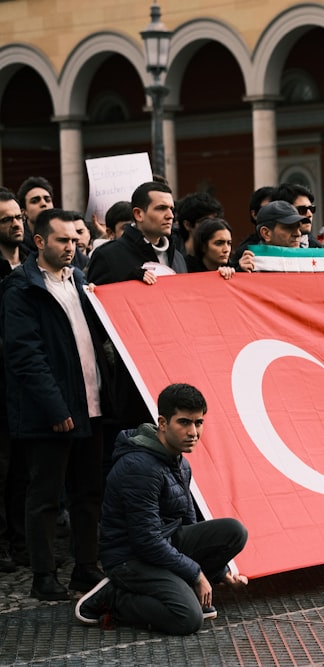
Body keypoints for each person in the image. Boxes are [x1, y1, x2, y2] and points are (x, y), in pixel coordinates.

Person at [74, 384, 249, 634]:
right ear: (163, 423)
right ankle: (113, 596)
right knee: (187, 619)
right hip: (130, 559)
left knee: (234, 531)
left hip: (163, 545)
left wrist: (221, 573)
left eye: (198, 423)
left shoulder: (180, 461)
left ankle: (181, 589)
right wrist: (196, 574)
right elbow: (145, 541)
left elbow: (187, 525)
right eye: (184, 422)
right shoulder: (140, 467)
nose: (193, 432)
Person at [1, 209, 110, 600]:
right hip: (51, 414)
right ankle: (44, 577)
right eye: (62, 240)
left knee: (88, 493)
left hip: (90, 405)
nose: (72, 246)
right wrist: (56, 408)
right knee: (45, 496)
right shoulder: (21, 289)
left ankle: (85, 568)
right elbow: (24, 357)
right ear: (40, 241)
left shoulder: (79, 280)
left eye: (74, 240)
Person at [86, 182, 187, 285]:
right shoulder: (108, 256)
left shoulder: (177, 258)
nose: (170, 216)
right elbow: (95, 299)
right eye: (161, 208)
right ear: (138, 214)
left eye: (171, 209)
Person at [236, 201, 305, 272]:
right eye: (289, 227)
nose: (298, 234)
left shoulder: (310, 261)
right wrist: (241, 272)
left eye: (299, 227)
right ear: (266, 233)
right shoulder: (249, 264)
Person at [274, 182, 319, 248]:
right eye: (302, 210)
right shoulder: (257, 253)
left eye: (312, 209)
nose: (309, 214)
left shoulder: (319, 249)